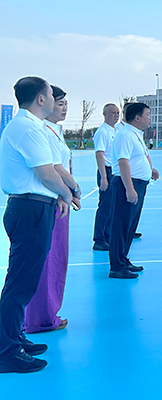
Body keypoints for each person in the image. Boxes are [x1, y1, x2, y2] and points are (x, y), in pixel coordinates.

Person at [0, 77, 77, 373]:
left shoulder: (30, 126)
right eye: (51, 95)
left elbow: (52, 169)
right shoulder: (28, 128)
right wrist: (67, 193)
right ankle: (7, 351)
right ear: (41, 99)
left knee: (23, 282)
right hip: (30, 208)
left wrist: (67, 191)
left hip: (32, 207)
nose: (56, 101)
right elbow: (46, 173)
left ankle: (14, 338)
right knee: (20, 285)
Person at [24, 86, 80, 334]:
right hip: (54, 200)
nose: (64, 108)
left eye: (66, 103)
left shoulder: (55, 131)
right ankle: (40, 317)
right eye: (59, 103)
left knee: (55, 256)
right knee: (49, 258)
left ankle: (45, 313)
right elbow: (55, 168)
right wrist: (72, 189)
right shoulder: (43, 132)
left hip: (59, 197)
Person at [108, 103, 160, 279]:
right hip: (127, 184)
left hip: (138, 183)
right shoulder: (125, 135)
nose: (150, 118)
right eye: (147, 115)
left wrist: (150, 170)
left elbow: (136, 159)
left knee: (130, 225)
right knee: (121, 226)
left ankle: (123, 259)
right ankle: (117, 266)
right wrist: (129, 188)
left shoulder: (135, 134)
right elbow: (123, 163)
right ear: (137, 118)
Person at [92, 103, 119, 251]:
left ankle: (108, 235)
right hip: (106, 171)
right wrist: (103, 177)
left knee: (112, 207)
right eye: (113, 113)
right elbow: (99, 155)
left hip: (113, 171)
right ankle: (99, 239)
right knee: (105, 206)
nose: (116, 115)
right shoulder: (102, 132)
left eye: (117, 113)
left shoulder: (114, 130)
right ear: (105, 114)